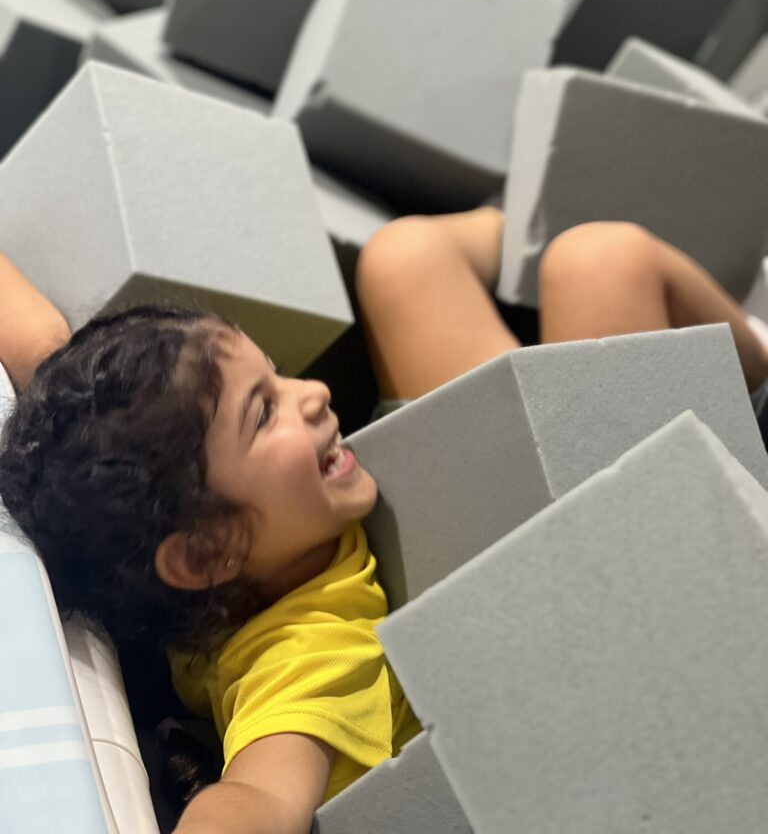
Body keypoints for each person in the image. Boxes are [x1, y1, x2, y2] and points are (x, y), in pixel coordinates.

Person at [0, 211, 766, 834]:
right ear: (205, 552)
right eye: (264, 413)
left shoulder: (155, 545)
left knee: (402, 256)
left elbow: (44, 350)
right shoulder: (310, 659)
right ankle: (748, 378)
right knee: (602, 260)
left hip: (443, 500)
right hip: (594, 560)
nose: (313, 393)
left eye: (277, 376)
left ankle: (552, 243)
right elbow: (258, 797)